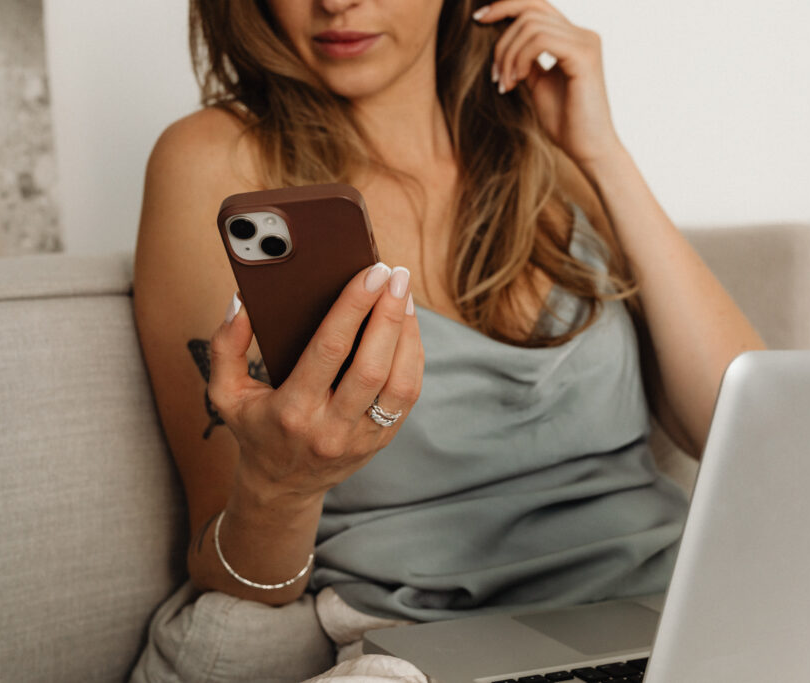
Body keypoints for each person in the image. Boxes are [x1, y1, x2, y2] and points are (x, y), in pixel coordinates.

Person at [130, 0, 765, 680]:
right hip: (428, 643)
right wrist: (282, 487)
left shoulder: (543, 151)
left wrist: (602, 150)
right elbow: (238, 571)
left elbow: (750, 438)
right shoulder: (216, 158)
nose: (336, 2)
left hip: (670, 614)